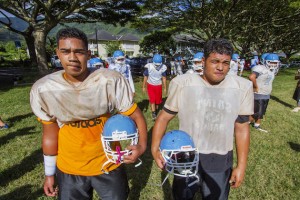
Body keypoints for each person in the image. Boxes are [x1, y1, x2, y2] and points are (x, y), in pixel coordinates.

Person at [30, 27, 147, 199]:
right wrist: (49, 173)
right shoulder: (44, 89)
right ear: (57, 53)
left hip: (109, 161)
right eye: (65, 51)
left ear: (88, 53)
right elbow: (50, 133)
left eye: (79, 52)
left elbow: (135, 115)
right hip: (69, 167)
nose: (72, 57)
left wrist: (142, 145)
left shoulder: (109, 79)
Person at [151, 38, 254, 200]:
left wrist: (241, 166)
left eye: (226, 63)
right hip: (185, 155)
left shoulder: (242, 87)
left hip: (220, 157)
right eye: (215, 61)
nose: (220, 67)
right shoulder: (183, 83)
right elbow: (163, 118)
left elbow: (242, 128)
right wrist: (154, 148)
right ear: (204, 61)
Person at [249, 53, 280, 132]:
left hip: (266, 94)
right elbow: (251, 77)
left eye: (275, 63)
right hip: (259, 94)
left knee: (261, 112)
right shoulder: (261, 68)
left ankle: (257, 125)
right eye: (271, 62)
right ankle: (243, 124)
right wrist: (255, 87)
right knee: (256, 112)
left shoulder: (270, 70)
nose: (273, 64)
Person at [142, 54, 167, 120]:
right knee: (152, 100)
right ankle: (153, 113)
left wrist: (165, 88)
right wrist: (143, 86)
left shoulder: (163, 67)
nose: (157, 66)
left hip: (158, 85)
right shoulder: (149, 67)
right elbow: (145, 77)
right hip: (150, 85)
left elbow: (164, 78)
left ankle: (155, 110)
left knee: (157, 101)